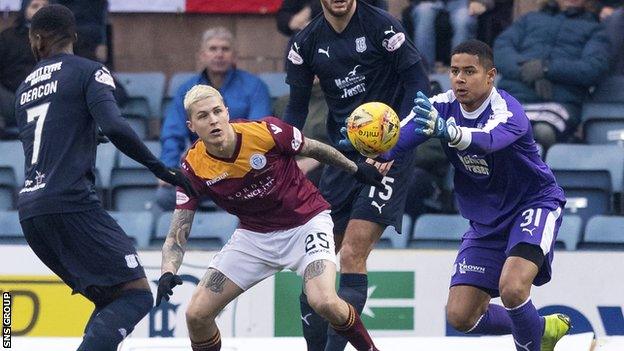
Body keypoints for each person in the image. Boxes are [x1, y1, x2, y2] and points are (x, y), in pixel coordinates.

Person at [14, 5, 196, 351]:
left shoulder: (25, 89)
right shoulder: (90, 72)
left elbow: (50, 135)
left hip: (32, 213)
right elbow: (114, 125)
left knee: (109, 299)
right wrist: (160, 168)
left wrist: (86, 135)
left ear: (36, 40)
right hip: (71, 204)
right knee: (136, 296)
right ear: (75, 37)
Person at [155, 84, 384, 351]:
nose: (213, 120)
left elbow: (314, 149)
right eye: (203, 116)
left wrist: (355, 169)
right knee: (196, 314)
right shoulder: (192, 166)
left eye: (217, 111)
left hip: (306, 223)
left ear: (227, 112)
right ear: (191, 126)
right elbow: (178, 230)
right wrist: (167, 271)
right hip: (253, 237)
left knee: (324, 301)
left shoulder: (265, 132)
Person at [379, 39, 570, 351]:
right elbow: (398, 137)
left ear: (490, 75)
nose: (460, 79)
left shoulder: (508, 110)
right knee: (460, 315)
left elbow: (488, 140)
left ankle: (531, 344)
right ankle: (538, 327)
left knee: (512, 288)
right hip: (486, 221)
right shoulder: (441, 106)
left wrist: (450, 132)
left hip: (532, 205)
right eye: (455, 71)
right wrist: (371, 144)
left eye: (469, 71)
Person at [284, 0, 430, 349]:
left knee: (351, 254)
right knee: (317, 263)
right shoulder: (304, 43)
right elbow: (296, 106)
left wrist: (394, 144)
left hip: (389, 155)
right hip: (344, 157)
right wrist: (280, 152)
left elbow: (418, 83)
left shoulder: (383, 26)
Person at [157, 26, 272, 211]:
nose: (219, 54)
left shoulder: (255, 87)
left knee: (243, 199)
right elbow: (172, 133)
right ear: (202, 55)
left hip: (240, 171)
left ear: (234, 56)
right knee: (165, 196)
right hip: (200, 171)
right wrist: (170, 169)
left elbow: (258, 132)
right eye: (213, 49)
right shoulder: (186, 91)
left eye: (225, 49)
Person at [494, 0, 610, 149]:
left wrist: (547, 69)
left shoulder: (596, 30)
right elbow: (500, 51)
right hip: (513, 99)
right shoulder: (529, 19)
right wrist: (527, 70)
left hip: (560, 103)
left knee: (540, 132)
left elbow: (594, 68)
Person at [0, 0, 48, 138]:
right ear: (24, 9)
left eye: (45, 7)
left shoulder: (59, 41)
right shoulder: (7, 37)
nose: (40, 10)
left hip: (48, 100)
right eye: (35, 6)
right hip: (12, 101)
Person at [409, 0, 482, 71]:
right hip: (429, 2)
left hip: (462, 3)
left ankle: (461, 68)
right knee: (423, 12)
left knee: (463, 20)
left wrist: (481, 2)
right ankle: (422, 71)